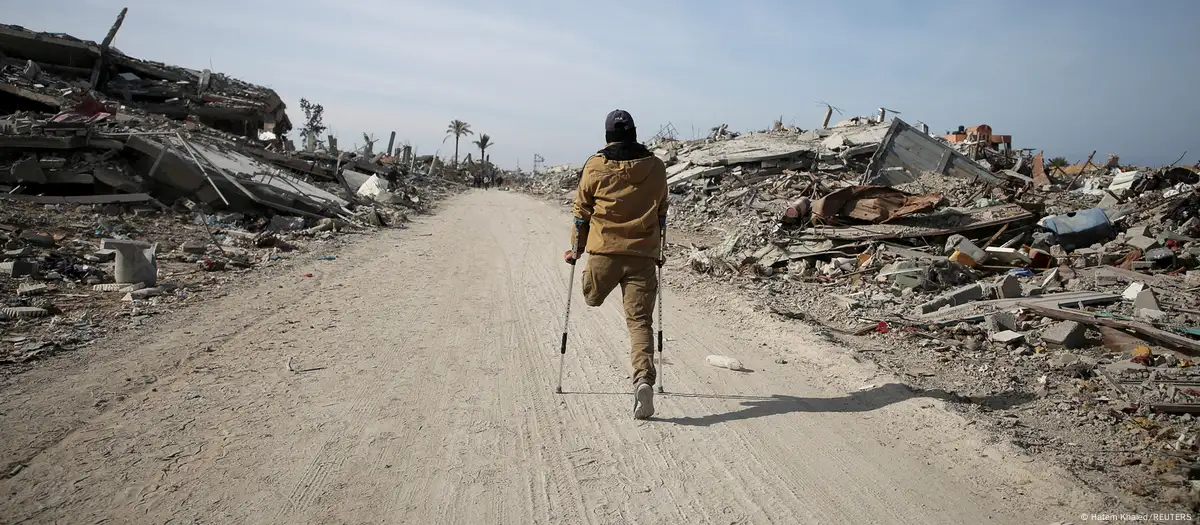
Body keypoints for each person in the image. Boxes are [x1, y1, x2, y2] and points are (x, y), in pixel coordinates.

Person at [563, 109, 667, 420]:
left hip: (604, 255)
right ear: (634, 132)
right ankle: (643, 380)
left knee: (591, 296)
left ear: (608, 136)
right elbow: (662, 213)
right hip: (642, 257)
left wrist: (575, 250)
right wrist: (660, 251)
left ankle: (643, 381)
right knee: (640, 323)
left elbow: (581, 212)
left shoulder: (595, 165)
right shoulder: (656, 166)